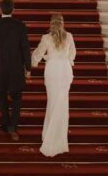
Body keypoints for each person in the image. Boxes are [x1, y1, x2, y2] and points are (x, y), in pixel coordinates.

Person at [0, 0, 31, 139]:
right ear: (13, 10)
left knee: (2, 97)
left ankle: (5, 123)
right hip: (16, 68)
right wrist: (28, 67)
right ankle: (13, 126)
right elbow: (25, 49)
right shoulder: (20, 26)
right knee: (17, 98)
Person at [31, 13, 75, 157]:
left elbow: (37, 54)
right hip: (64, 70)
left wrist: (32, 63)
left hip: (52, 70)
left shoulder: (46, 38)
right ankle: (59, 139)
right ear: (62, 23)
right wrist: (65, 59)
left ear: (51, 23)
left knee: (52, 103)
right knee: (62, 104)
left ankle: (48, 136)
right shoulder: (69, 36)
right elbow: (72, 54)